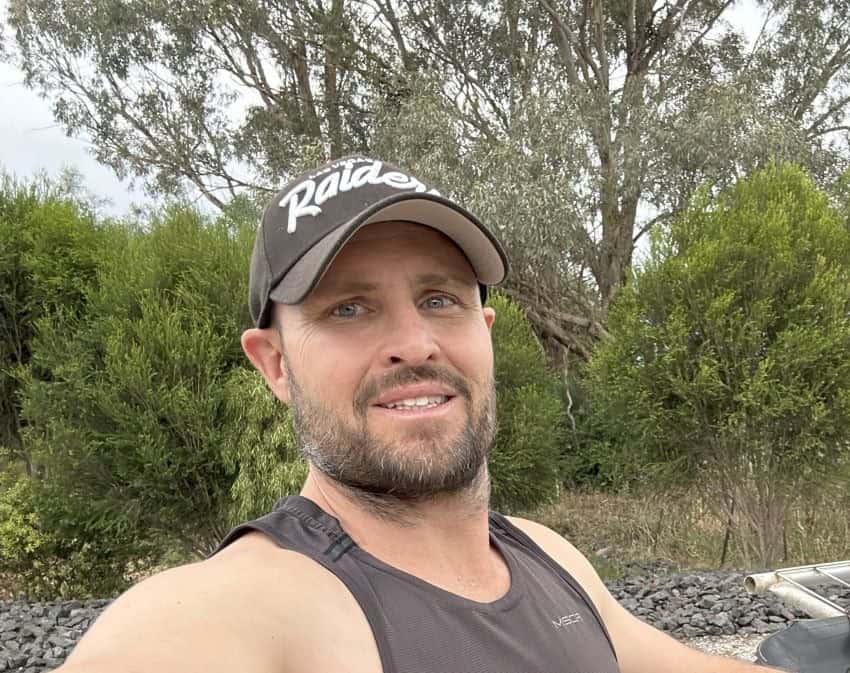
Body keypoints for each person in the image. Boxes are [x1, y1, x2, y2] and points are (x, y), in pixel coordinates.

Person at [56, 156, 781, 673]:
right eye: (349, 308)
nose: (415, 342)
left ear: (484, 333)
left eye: (440, 299)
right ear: (274, 364)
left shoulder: (547, 558)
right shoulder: (248, 609)